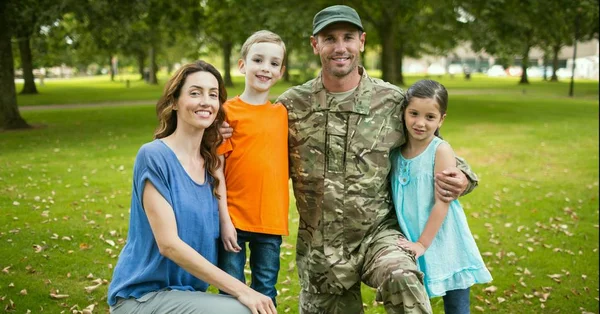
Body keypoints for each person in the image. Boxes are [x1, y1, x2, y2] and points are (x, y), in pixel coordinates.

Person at [220, 5, 478, 314]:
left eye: (348, 37)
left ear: (362, 42)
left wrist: (462, 176)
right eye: (330, 38)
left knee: (403, 276)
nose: (340, 47)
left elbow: (432, 145)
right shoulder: (291, 106)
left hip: (378, 237)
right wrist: (218, 130)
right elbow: (253, 145)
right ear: (316, 45)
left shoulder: (393, 101)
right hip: (321, 251)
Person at [107, 60, 277, 314]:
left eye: (213, 95)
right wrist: (244, 290)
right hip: (142, 298)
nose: (205, 102)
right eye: (195, 93)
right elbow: (169, 244)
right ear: (174, 102)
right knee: (243, 311)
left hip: (187, 297)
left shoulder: (211, 166)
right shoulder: (154, 156)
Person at [392, 79, 492, 314]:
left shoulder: (440, 150)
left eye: (429, 117)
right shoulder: (397, 149)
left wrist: (422, 243)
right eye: (413, 113)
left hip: (445, 238)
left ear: (441, 119)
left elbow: (442, 203)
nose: (419, 123)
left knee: (456, 305)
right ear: (404, 112)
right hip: (415, 233)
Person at [217, 30, 288, 307]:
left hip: (270, 221)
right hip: (233, 218)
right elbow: (216, 171)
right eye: (258, 60)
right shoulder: (225, 113)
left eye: (273, 63)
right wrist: (224, 220)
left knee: (266, 293)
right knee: (231, 295)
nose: (265, 68)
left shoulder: (282, 114)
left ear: (280, 72)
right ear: (242, 64)